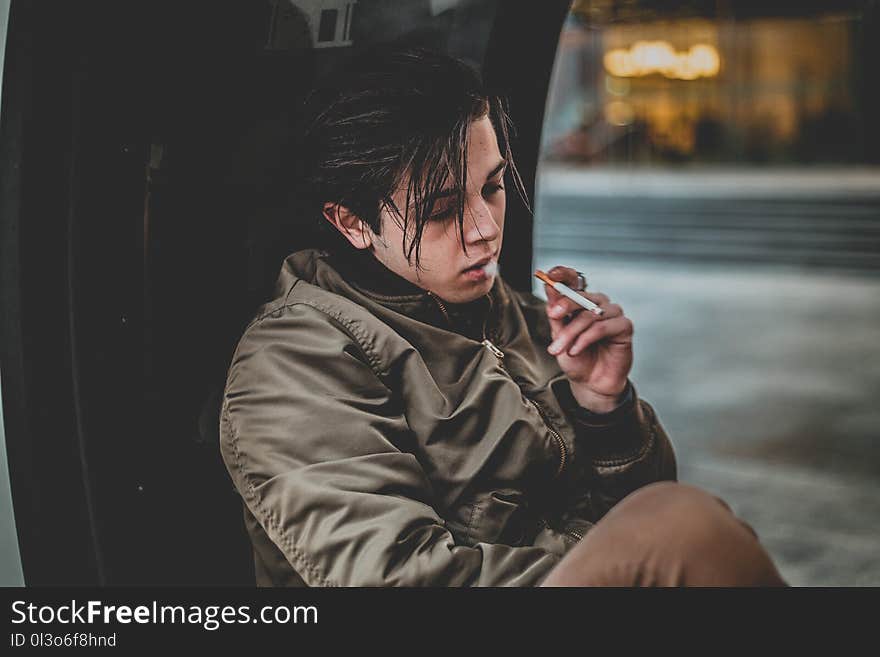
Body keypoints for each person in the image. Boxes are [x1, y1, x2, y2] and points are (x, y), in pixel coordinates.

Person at [219, 46, 786, 587]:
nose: (486, 228)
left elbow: (624, 512)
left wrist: (603, 411)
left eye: (492, 187)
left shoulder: (510, 313)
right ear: (352, 223)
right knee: (684, 531)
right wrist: (636, 568)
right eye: (440, 210)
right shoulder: (295, 361)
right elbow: (395, 580)